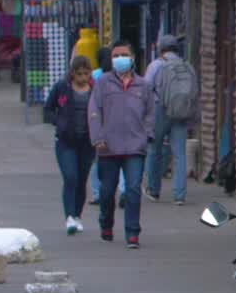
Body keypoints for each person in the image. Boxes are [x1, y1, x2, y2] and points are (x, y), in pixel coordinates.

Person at [88, 40, 155, 249]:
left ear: (133, 58)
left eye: (123, 55)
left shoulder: (143, 85)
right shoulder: (103, 83)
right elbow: (94, 111)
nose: (119, 59)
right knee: (107, 191)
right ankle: (106, 224)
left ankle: (132, 232)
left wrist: (147, 135)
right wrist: (98, 138)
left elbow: (151, 113)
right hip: (108, 147)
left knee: (133, 189)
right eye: (115, 56)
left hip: (135, 147)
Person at [44, 56, 96, 236]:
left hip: (87, 142)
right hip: (66, 141)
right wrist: (59, 123)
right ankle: (69, 218)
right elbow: (48, 109)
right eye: (79, 73)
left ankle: (77, 215)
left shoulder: (96, 89)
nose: (82, 77)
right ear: (72, 73)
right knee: (70, 177)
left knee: (82, 179)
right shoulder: (61, 88)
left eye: (86, 73)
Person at [144, 34, 197, 205]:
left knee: (155, 149)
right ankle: (179, 195)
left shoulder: (156, 65)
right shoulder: (186, 66)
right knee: (179, 153)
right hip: (181, 111)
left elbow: (146, 89)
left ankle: (153, 190)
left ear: (161, 49)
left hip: (161, 109)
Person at [87, 47, 126, 207]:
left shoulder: (95, 76)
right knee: (124, 158)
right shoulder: (121, 76)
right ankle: (124, 190)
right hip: (120, 121)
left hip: (100, 122)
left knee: (97, 160)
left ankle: (97, 193)